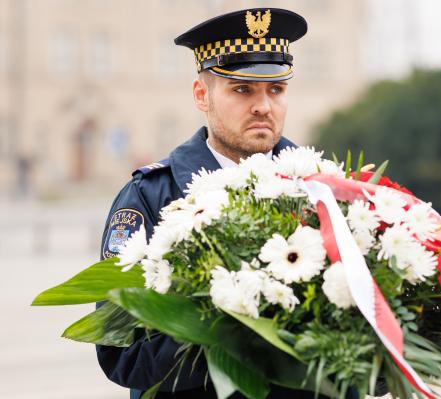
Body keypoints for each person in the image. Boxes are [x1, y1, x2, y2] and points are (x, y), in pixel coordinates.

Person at [96, 8, 352, 399]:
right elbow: (123, 355)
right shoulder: (152, 197)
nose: (263, 106)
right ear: (202, 95)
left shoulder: (325, 191)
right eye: (242, 89)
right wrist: (229, 322)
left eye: (276, 90)